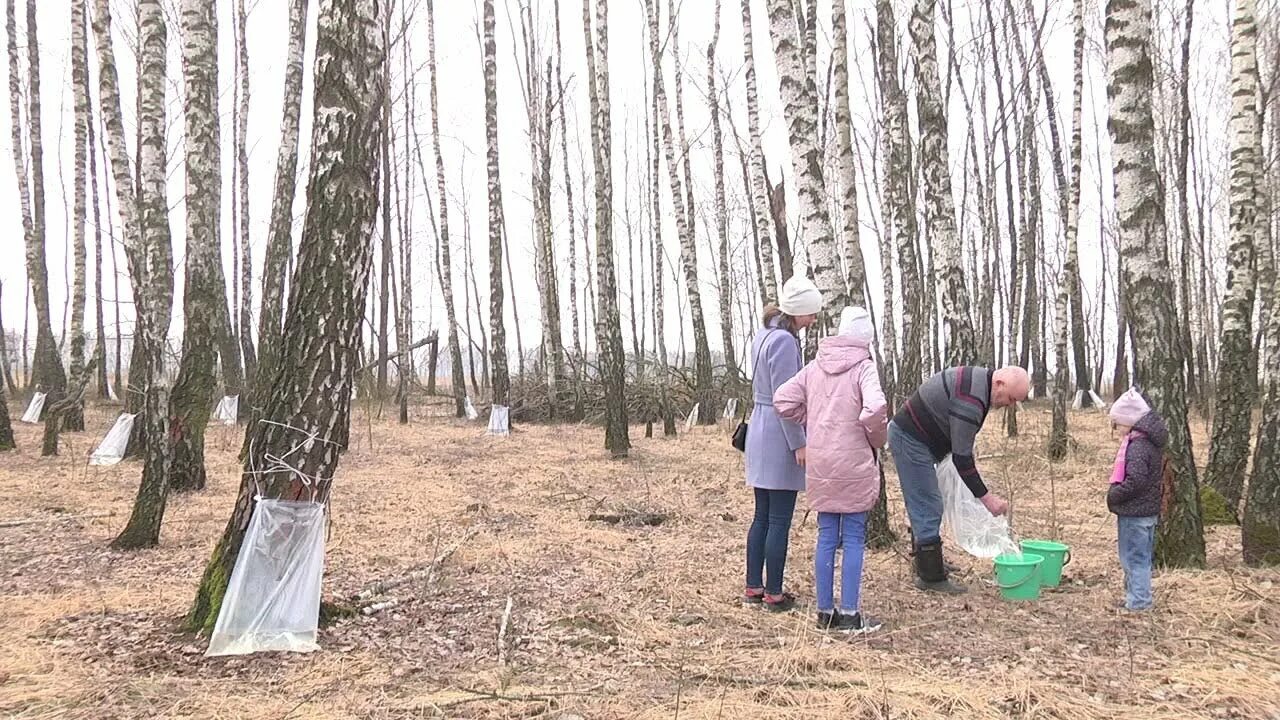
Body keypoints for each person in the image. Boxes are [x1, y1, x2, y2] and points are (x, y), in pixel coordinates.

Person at [774, 306, 886, 633]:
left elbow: (782, 400)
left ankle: (825, 613)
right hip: (854, 463)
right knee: (852, 537)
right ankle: (850, 614)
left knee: (826, 535)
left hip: (821, 463)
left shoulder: (814, 367)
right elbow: (875, 408)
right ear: (865, 338)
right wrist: (876, 437)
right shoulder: (864, 368)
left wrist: (811, 420)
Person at [887, 365, 1029, 594]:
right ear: (1000, 384)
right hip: (910, 439)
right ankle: (930, 577)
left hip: (922, 439)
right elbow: (962, 458)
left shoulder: (981, 384)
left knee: (929, 500)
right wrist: (988, 500)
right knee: (928, 503)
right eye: (1011, 399)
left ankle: (928, 560)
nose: (1010, 405)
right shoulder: (972, 400)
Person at [743, 276, 824, 612]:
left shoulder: (764, 334)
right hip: (779, 434)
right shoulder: (786, 343)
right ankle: (774, 592)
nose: (814, 319)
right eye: (811, 314)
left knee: (761, 516)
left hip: (759, 429)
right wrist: (799, 444)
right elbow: (786, 401)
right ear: (798, 312)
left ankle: (753, 586)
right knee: (778, 519)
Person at [1106, 387, 1166, 612]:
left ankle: (1139, 603)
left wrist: (1114, 495)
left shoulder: (1138, 447)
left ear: (1130, 421)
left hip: (1135, 514)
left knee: (1134, 560)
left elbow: (1136, 481)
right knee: (1140, 558)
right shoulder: (1148, 443)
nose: (1116, 428)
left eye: (1118, 423)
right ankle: (1136, 598)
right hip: (1146, 512)